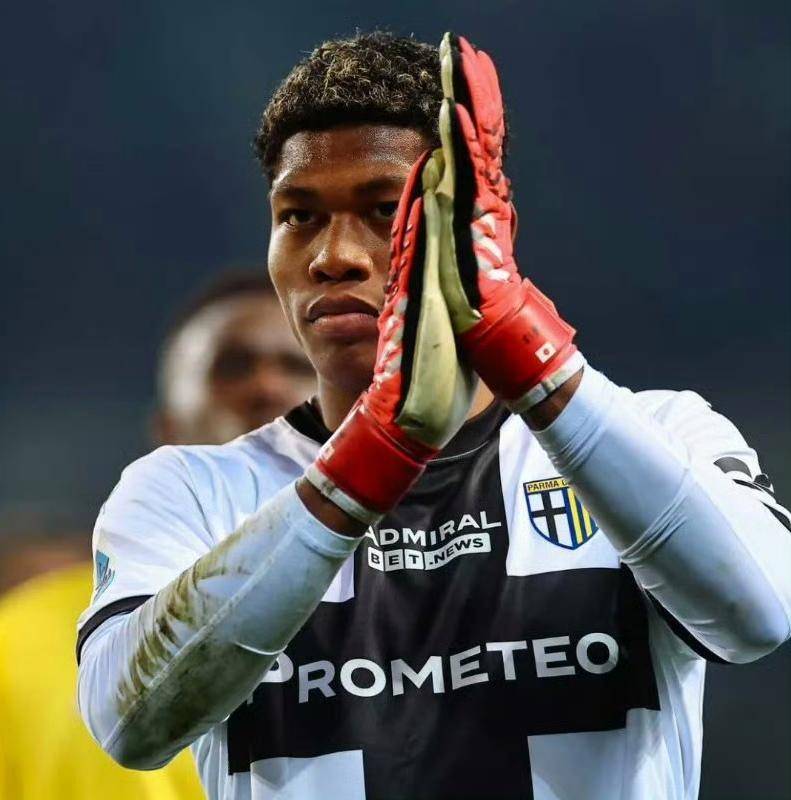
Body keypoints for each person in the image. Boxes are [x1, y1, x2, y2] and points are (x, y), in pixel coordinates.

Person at [75, 32, 791, 800]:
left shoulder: (661, 434)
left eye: (384, 209)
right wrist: (371, 456)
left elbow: (757, 617)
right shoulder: (188, 489)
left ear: (481, 230)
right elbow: (129, 725)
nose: (332, 256)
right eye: (299, 216)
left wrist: (532, 357)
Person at [0, 271, 314, 799]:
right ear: (165, 432)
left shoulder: (407, 616)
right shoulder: (19, 642)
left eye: (297, 365)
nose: (267, 387)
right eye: (232, 366)